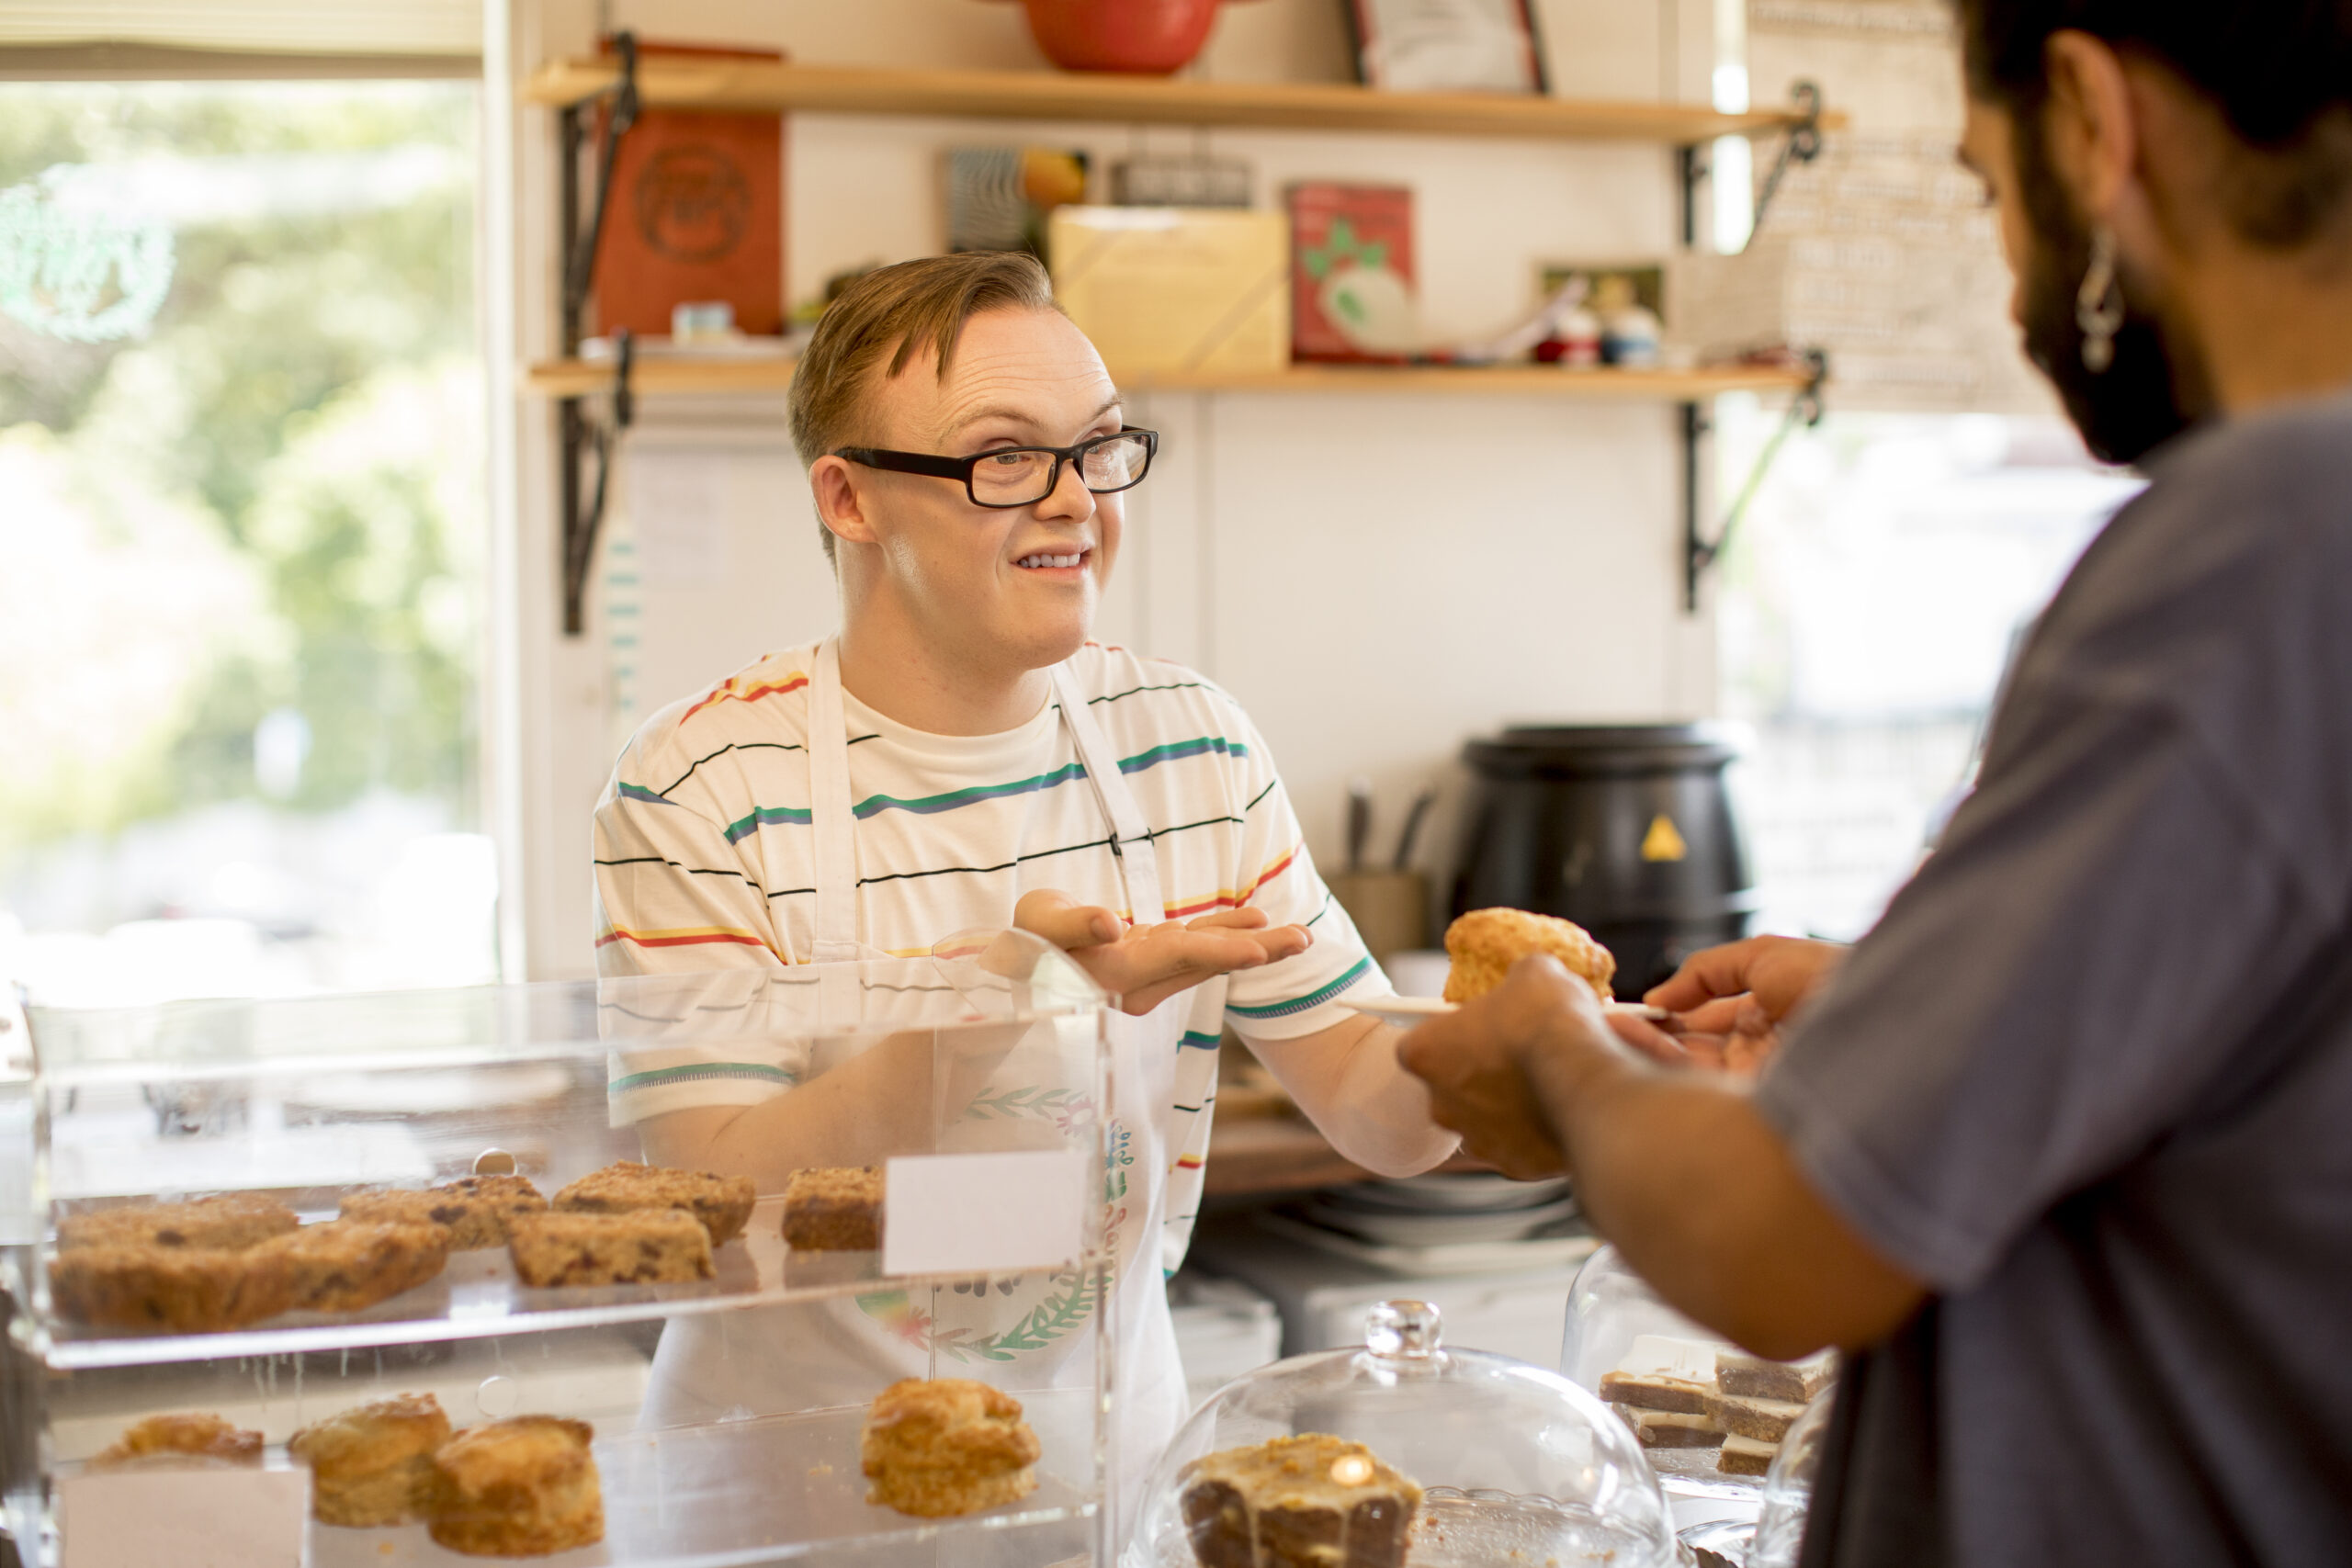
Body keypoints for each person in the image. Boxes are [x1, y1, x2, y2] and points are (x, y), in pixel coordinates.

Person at [1396, 3, 2352, 1564]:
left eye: (1986, 195)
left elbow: (1784, 1251)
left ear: (2090, 116)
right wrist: (1893, 1007)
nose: (2013, 283)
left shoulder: (2267, 536)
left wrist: (1560, 1062)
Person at [590, 252, 1454, 1520]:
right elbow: (716, 1212)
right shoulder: (699, 780)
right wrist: (1014, 997)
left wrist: (1541, 1048)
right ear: (852, 498)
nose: (1075, 503)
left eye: (1098, 449)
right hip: (781, 1513)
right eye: (1006, 458)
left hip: (1098, 1497)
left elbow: (1381, 1112)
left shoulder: (1190, 747)